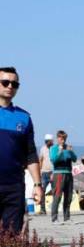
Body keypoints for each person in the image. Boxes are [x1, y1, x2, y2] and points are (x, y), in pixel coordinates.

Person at [0, 66, 43, 234]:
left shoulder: (23, 117)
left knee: (11, 237)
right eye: (5, 82)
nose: (10, 86)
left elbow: (31, 154)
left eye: (15, 84)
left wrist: (38, 185)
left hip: (14, 187)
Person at [49, 130, 78, 222]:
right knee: (57, 196)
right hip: (59, 174)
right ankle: (54, 218)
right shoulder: (54, 148)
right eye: (61, 138)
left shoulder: (68, 148)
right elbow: (53, 159)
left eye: (64, 138)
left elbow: (74, 159)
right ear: (57, 138)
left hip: (69, 173)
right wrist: (60, 151)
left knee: (68, 196)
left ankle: (67, 217)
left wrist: (71, 152)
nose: (63, 140)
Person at [37, 133, 54, 214]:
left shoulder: (55, 148)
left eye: (48, 141)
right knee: (42, 191)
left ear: (51, 141)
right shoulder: (42, 149)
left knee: (55, 191)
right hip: (44, 172)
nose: (47, 142)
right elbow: (40, 160)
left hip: (53, 172)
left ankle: (54, 209)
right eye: (46, 141)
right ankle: (43, 209)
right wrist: (39, 171)